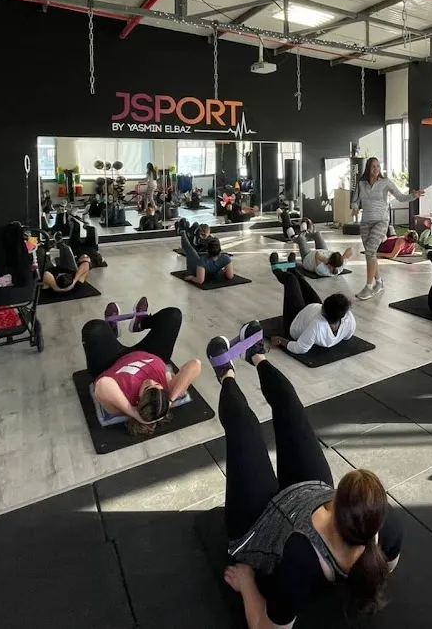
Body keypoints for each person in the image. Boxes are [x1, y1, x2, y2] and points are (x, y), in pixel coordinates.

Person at [204, 326, 403, 626]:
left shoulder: (301, 558)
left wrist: (247, 584)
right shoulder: (388, 525)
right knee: (289, 404)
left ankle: (226, 374)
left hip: (258, 525)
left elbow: (266, 627)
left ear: (336, 507)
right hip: (307, 491)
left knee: (245, 426)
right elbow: (388, 566)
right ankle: (256, 355)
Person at [83, 299, 201, 436]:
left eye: (147, 387)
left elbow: (102, 384)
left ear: (139, 400)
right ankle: (140, 323)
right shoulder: (166, 393)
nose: (151, 381)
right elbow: (195, 365)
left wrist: (133, 412)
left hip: (111, 362)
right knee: (173, 315)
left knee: (94, 328)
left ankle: (110, 331)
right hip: (150, 353)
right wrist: (170, 401)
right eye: (157, 385)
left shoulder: (122, 403)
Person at [352, 157, 424, 300]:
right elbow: (355, 201)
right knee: (371, 253)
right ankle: (379, 283)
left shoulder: (385, 182)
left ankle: (368, 287)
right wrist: (354, 208)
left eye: (378, 166)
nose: (376, 169)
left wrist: (414, 196)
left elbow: (401, 197)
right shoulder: (361, 183)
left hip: (381, 221)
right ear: (368, 168)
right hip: (365, 222)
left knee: (370, 251)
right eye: (373, 166)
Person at [269, 256, 356, 354]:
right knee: (303, 283)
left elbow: (299, 348)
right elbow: (347, 337)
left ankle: (276, 270)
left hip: (294, 319)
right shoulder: (348, 318)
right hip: (312, 311)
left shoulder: (317, 325)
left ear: (323, 311)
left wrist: (280, 340)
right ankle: (292, 268)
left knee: (291, 280)